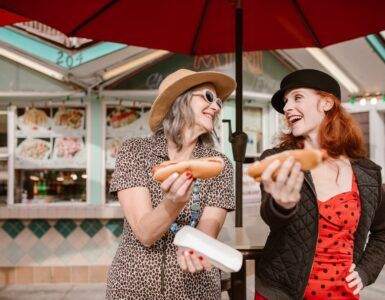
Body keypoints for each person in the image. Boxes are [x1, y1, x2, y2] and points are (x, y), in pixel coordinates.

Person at [254, 69, 385, 299]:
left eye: (297, 97)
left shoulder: (368, 173)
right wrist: (282, 205)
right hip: (279, 292)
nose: (286, 108)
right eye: (285, 102)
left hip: (342, 294)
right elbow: (271, 216)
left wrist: (366, 272)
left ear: (326, 103)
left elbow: (383, 232)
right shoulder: (278, 159)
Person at [106, 69, 236, 299]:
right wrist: (173, 203)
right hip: (135, 287)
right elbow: (145, 233)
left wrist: (198, 247)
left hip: (195, 290)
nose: (216, 107)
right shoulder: (134, 152)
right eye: (207, 97)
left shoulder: (219, 165)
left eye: (218, 101)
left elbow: (209, 228)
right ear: (180, 100)